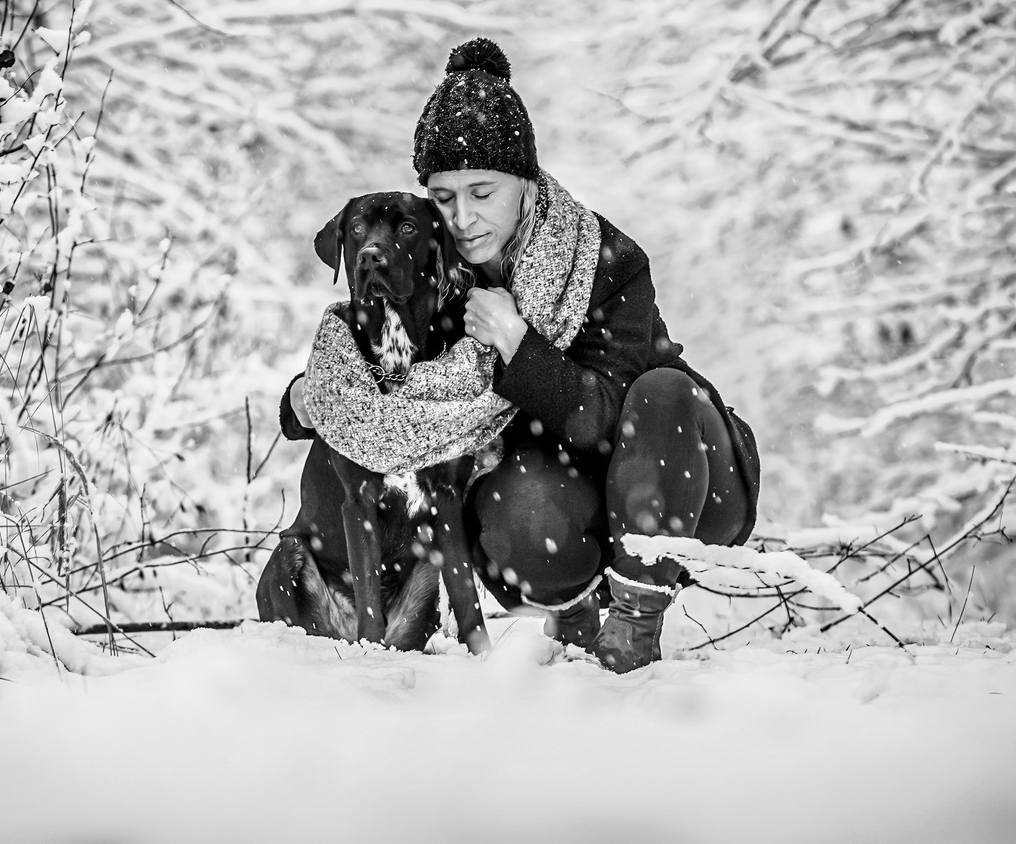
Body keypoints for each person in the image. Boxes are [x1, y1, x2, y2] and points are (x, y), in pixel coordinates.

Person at [275, 37, 758, 672]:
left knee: (662, 388)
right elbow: (393, 378)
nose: (464, 216)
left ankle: (636, 622)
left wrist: (516, 343)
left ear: (526, 185)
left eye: (483, 192)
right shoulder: (446, 276)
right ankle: (574, 608)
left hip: (683, 472)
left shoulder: (603, 262)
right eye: (444, 198)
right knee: (499, 490)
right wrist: (302, 402)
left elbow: (605, 419)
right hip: (581, 501)